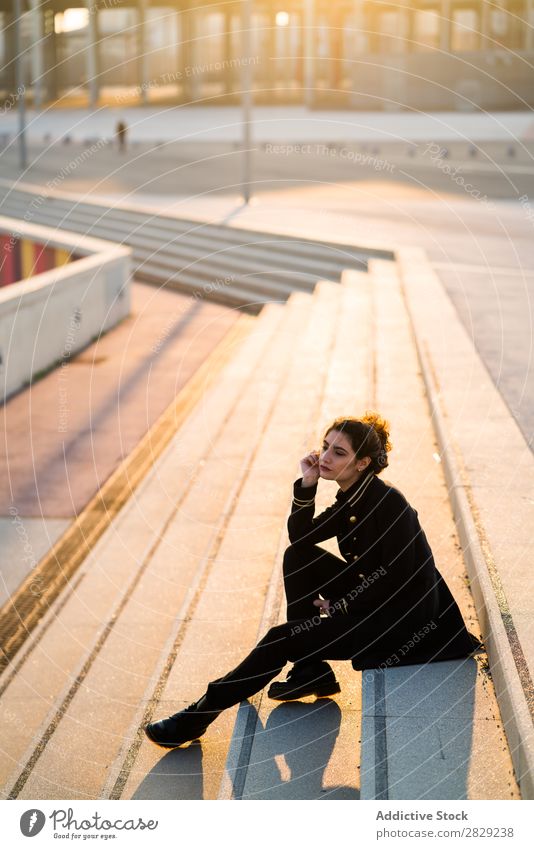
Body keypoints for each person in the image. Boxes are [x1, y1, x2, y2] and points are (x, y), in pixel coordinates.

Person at [145, 412, 482, 748]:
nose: (324, 457)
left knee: (281, 638)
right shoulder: (352, 495)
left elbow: (398, 580)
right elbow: (301, 538)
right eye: (325, 446)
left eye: (339, 452)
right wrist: (307, 483)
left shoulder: (388, 503)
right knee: (298, 558)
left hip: (401, 624)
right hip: (375, 604)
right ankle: (310, 669)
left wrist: (340, 606)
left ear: (363, 463)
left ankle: (198, 716)